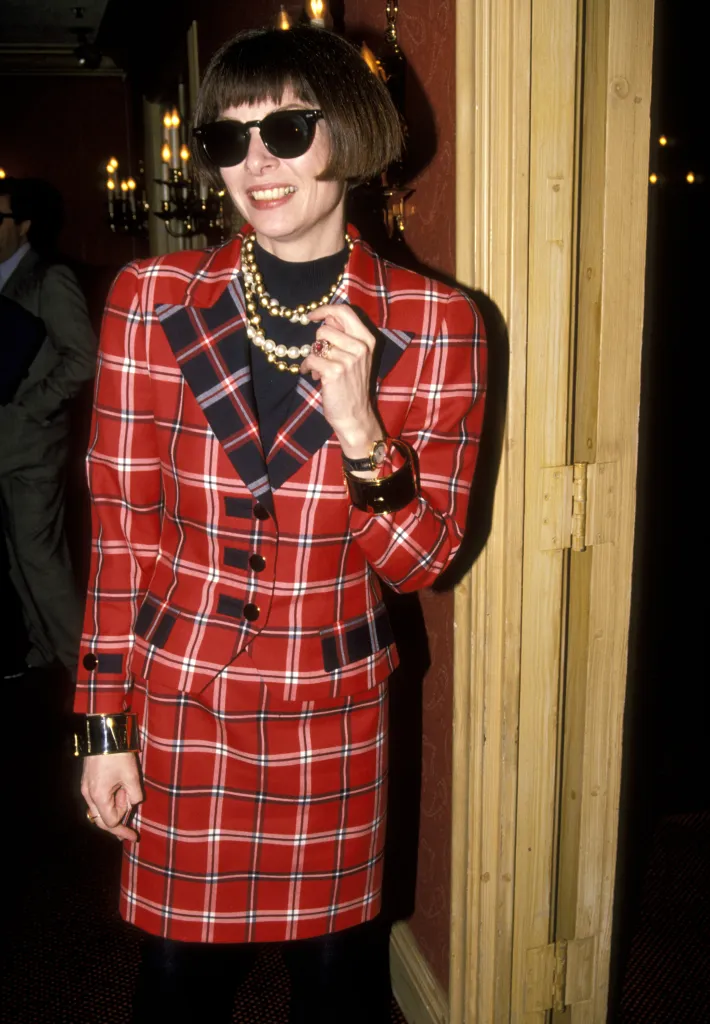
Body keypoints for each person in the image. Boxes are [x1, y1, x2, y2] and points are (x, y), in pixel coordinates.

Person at [74, 26, 486, 1024]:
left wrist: (359, 436)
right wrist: (100, 726)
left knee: (337, 983)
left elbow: (423, 559)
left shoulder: (436, 325)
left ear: (346, 134)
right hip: (184, 710)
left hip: (329, 715)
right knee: (173, 986)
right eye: (229, 139)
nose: (254, 164)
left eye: (286, 130)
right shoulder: (149, 301)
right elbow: (121, 530)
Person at [0, 177, 96, 677]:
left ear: (24, 226)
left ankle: (85, 669)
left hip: (34, 443)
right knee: (18, 560)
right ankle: (46, 655)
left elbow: (83, 358)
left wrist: (32, 406)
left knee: (42, 559)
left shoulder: (48, 277)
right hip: (6, 444)